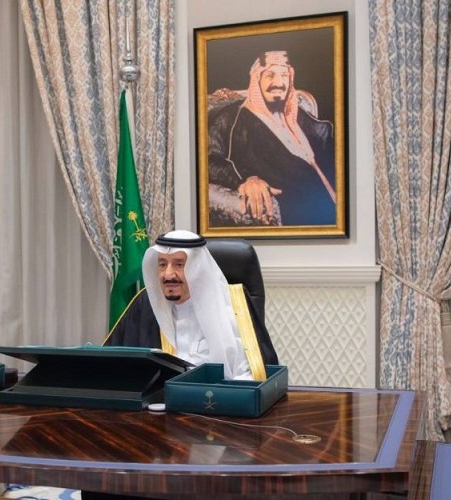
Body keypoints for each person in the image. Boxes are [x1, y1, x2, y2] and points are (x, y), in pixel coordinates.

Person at [103, 230, 278, 380]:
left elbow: (252, 376)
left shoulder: (233, 304)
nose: (168, 275)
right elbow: (113, 365)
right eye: (162, 264)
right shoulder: (145, 305)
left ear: (198, 268)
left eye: (179, 264)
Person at [207, 50, 336, 226]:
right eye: (270, 75)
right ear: (256, 79)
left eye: (284, 75)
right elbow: (208, 161)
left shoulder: (300, 115)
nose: (278, 83)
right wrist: (246, 180)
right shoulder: (232, 118)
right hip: (298, 217)